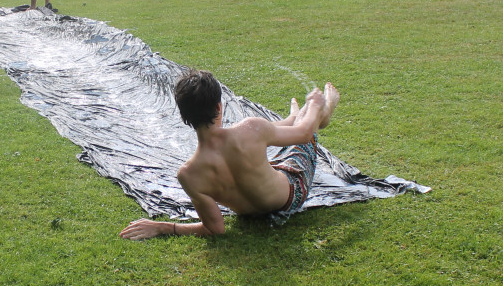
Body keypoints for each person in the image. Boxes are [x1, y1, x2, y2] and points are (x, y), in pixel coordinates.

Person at [119, 70, 339, 239]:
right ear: (219, 106)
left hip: (252, 214)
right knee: (311, 127)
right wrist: (314, 105)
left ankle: (297, 116)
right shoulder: (250, 129)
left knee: (285, 130)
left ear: (184, 116)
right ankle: (325, 111)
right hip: (291, 194)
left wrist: (163, 227)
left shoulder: (188, 174)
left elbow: (215, 229)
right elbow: (303, 134)